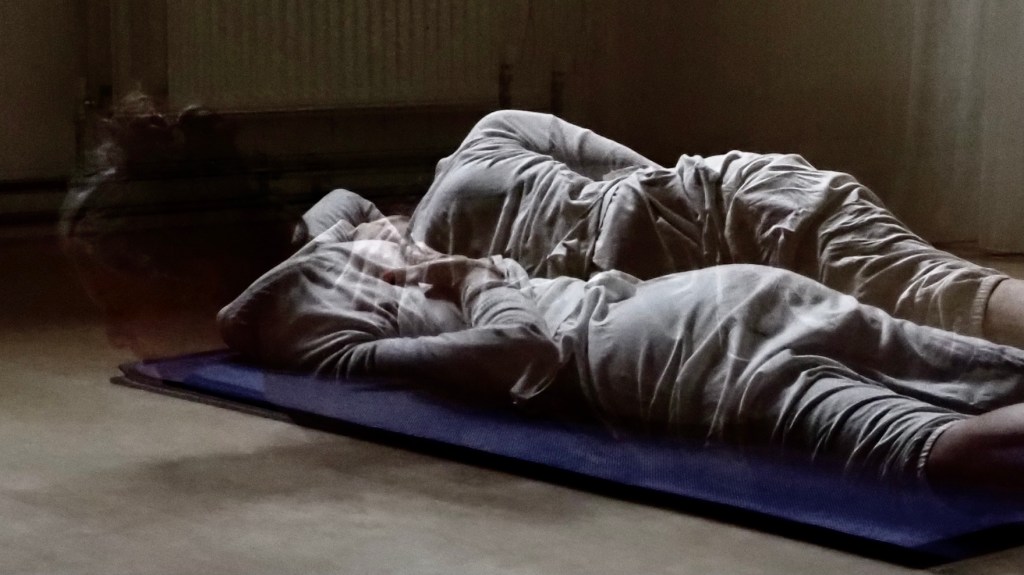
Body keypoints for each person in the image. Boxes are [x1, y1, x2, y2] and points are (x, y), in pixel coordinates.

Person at [217, 205, 1024, 498]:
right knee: (990, 385)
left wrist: (469, 274)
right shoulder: (340, 271)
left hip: (673, 354)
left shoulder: (313, 327)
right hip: (708, 306)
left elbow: (520, 348)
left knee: (942, 449)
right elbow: (518, 347)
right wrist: (453, 267)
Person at [408, 110, 1024, 349]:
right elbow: (632, 169)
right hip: (709, 242)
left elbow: (642, 173)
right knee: (923, 328)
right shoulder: (426, 250)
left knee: (938, 293)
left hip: (735, 209)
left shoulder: (487, 139)